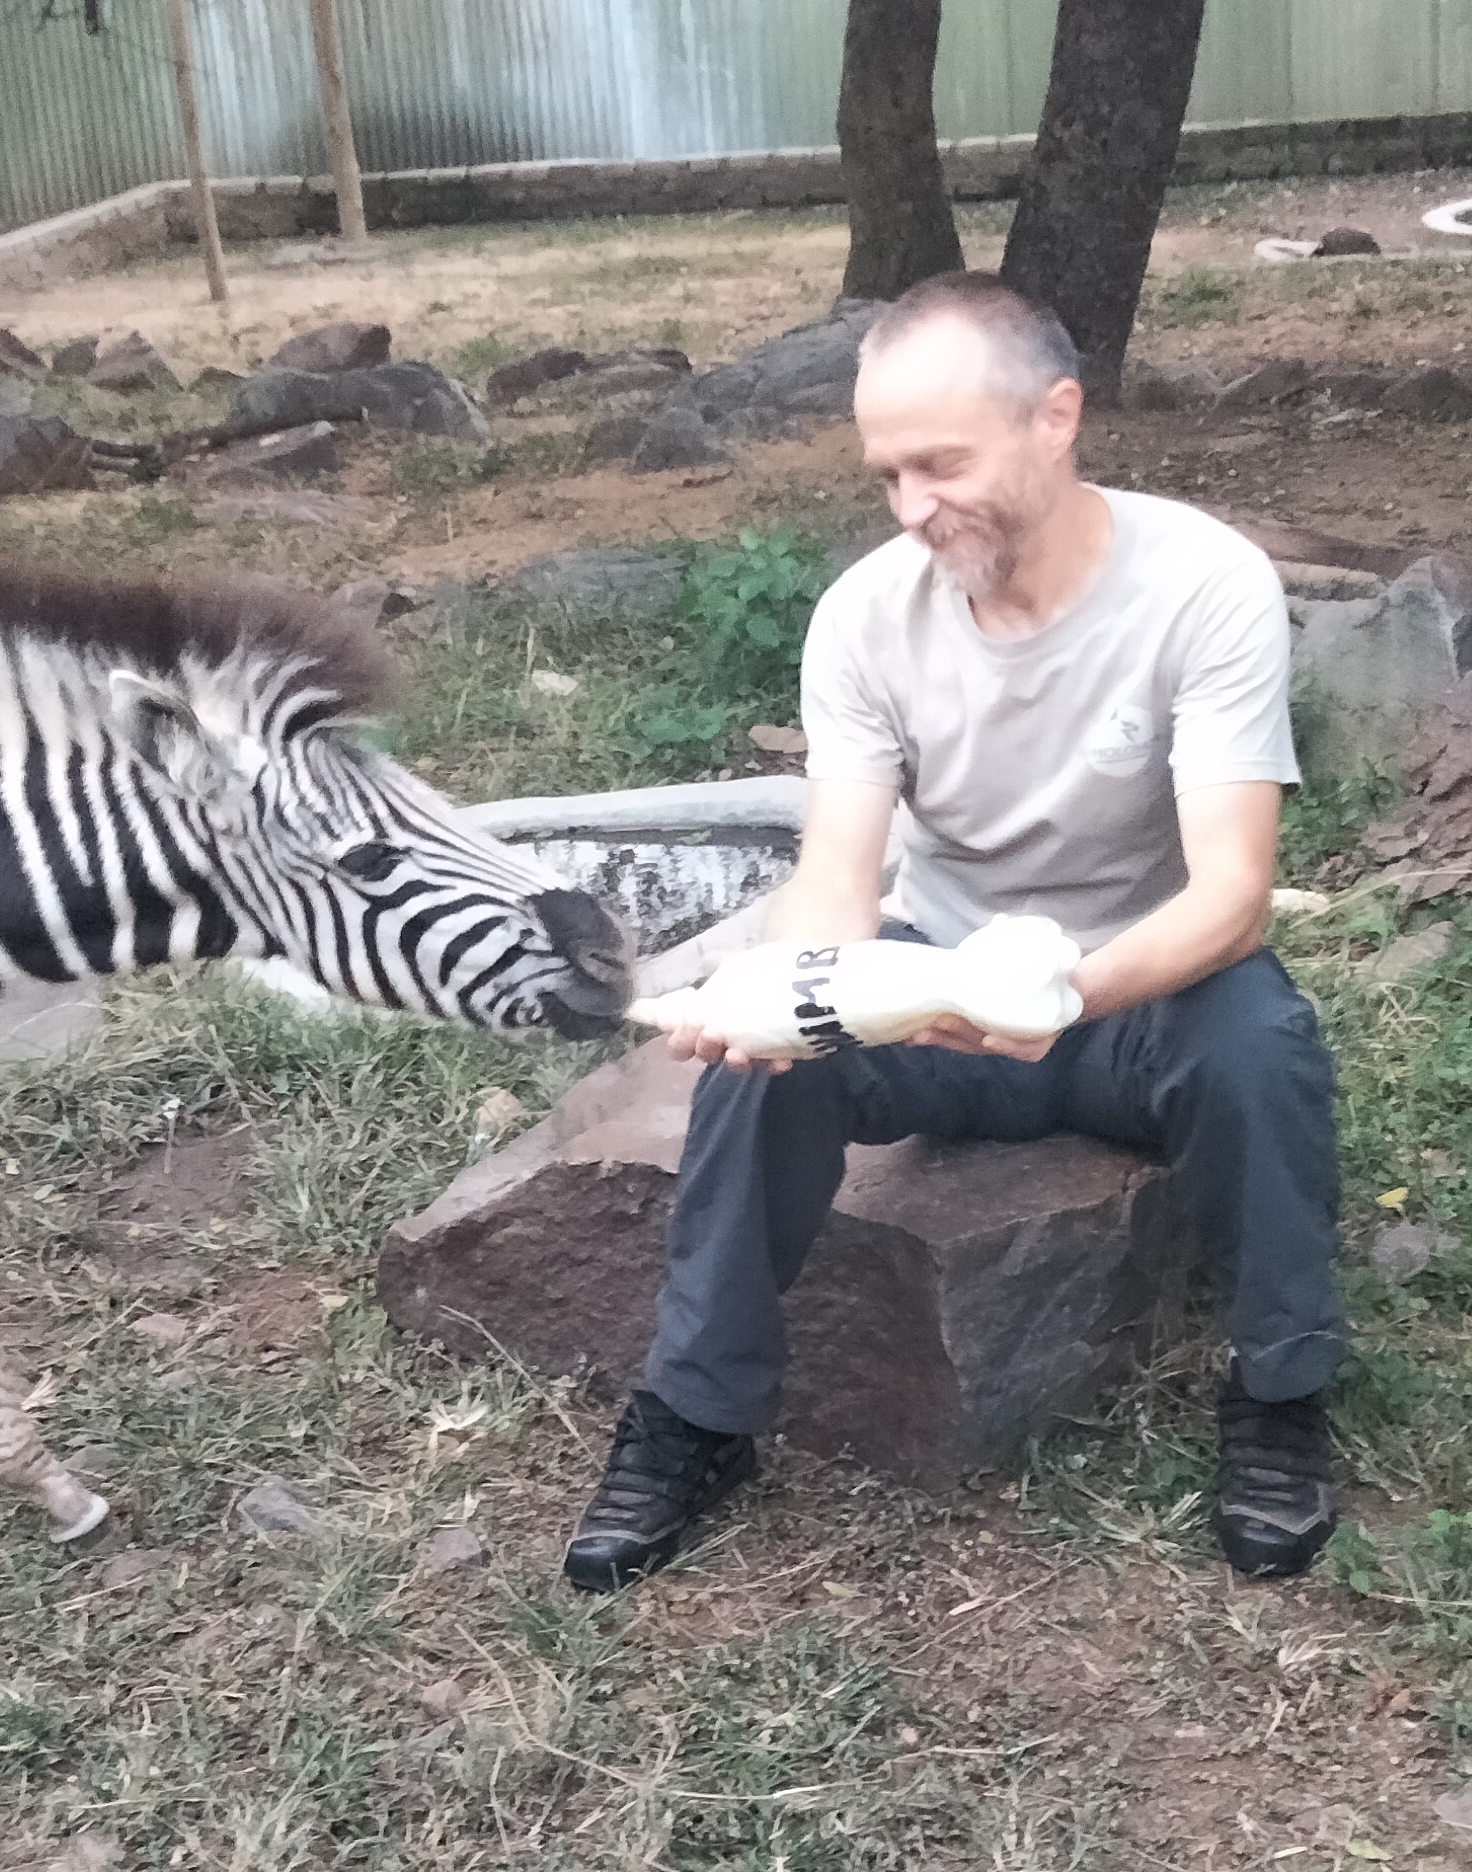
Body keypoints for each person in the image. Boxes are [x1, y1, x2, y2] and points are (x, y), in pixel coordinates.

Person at [563, 271, 1346, 1592]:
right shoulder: (867, 617)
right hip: (931, 983)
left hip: (1136, 982)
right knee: (755, 1083)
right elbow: (837, 876)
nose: (912, 508)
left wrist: (1052, 1001)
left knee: (1265, 1051)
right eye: (887, 475)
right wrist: (808, 993)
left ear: (1057, 418)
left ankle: (1281, 1395)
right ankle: (696, 1416)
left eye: (941, 464)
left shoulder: (1206, 585)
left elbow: (1232, 896)